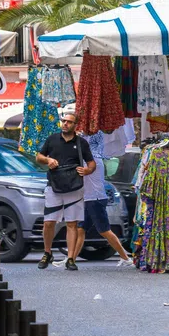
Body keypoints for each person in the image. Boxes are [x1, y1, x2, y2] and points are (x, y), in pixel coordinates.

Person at [35, 111, 95, 271]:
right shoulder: (52, 139)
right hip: (53, 185)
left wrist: (87, 170)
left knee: (72, 223)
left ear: (75, 125)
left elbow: (91, 163)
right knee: (48, 222)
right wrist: (48, 160)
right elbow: (39, 157)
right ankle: (47, 253)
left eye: (69, 122)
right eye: (64, 121)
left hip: (74, 186)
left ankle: (70, 258)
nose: (65, 124)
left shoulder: (81, 143)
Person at [73, 132, 133, 267]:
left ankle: (125, 258)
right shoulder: (95, 158)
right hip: (89, 199)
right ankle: (71, 260)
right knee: (81, 229)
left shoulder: (92, 160)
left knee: (104, 230)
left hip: (95, 199)